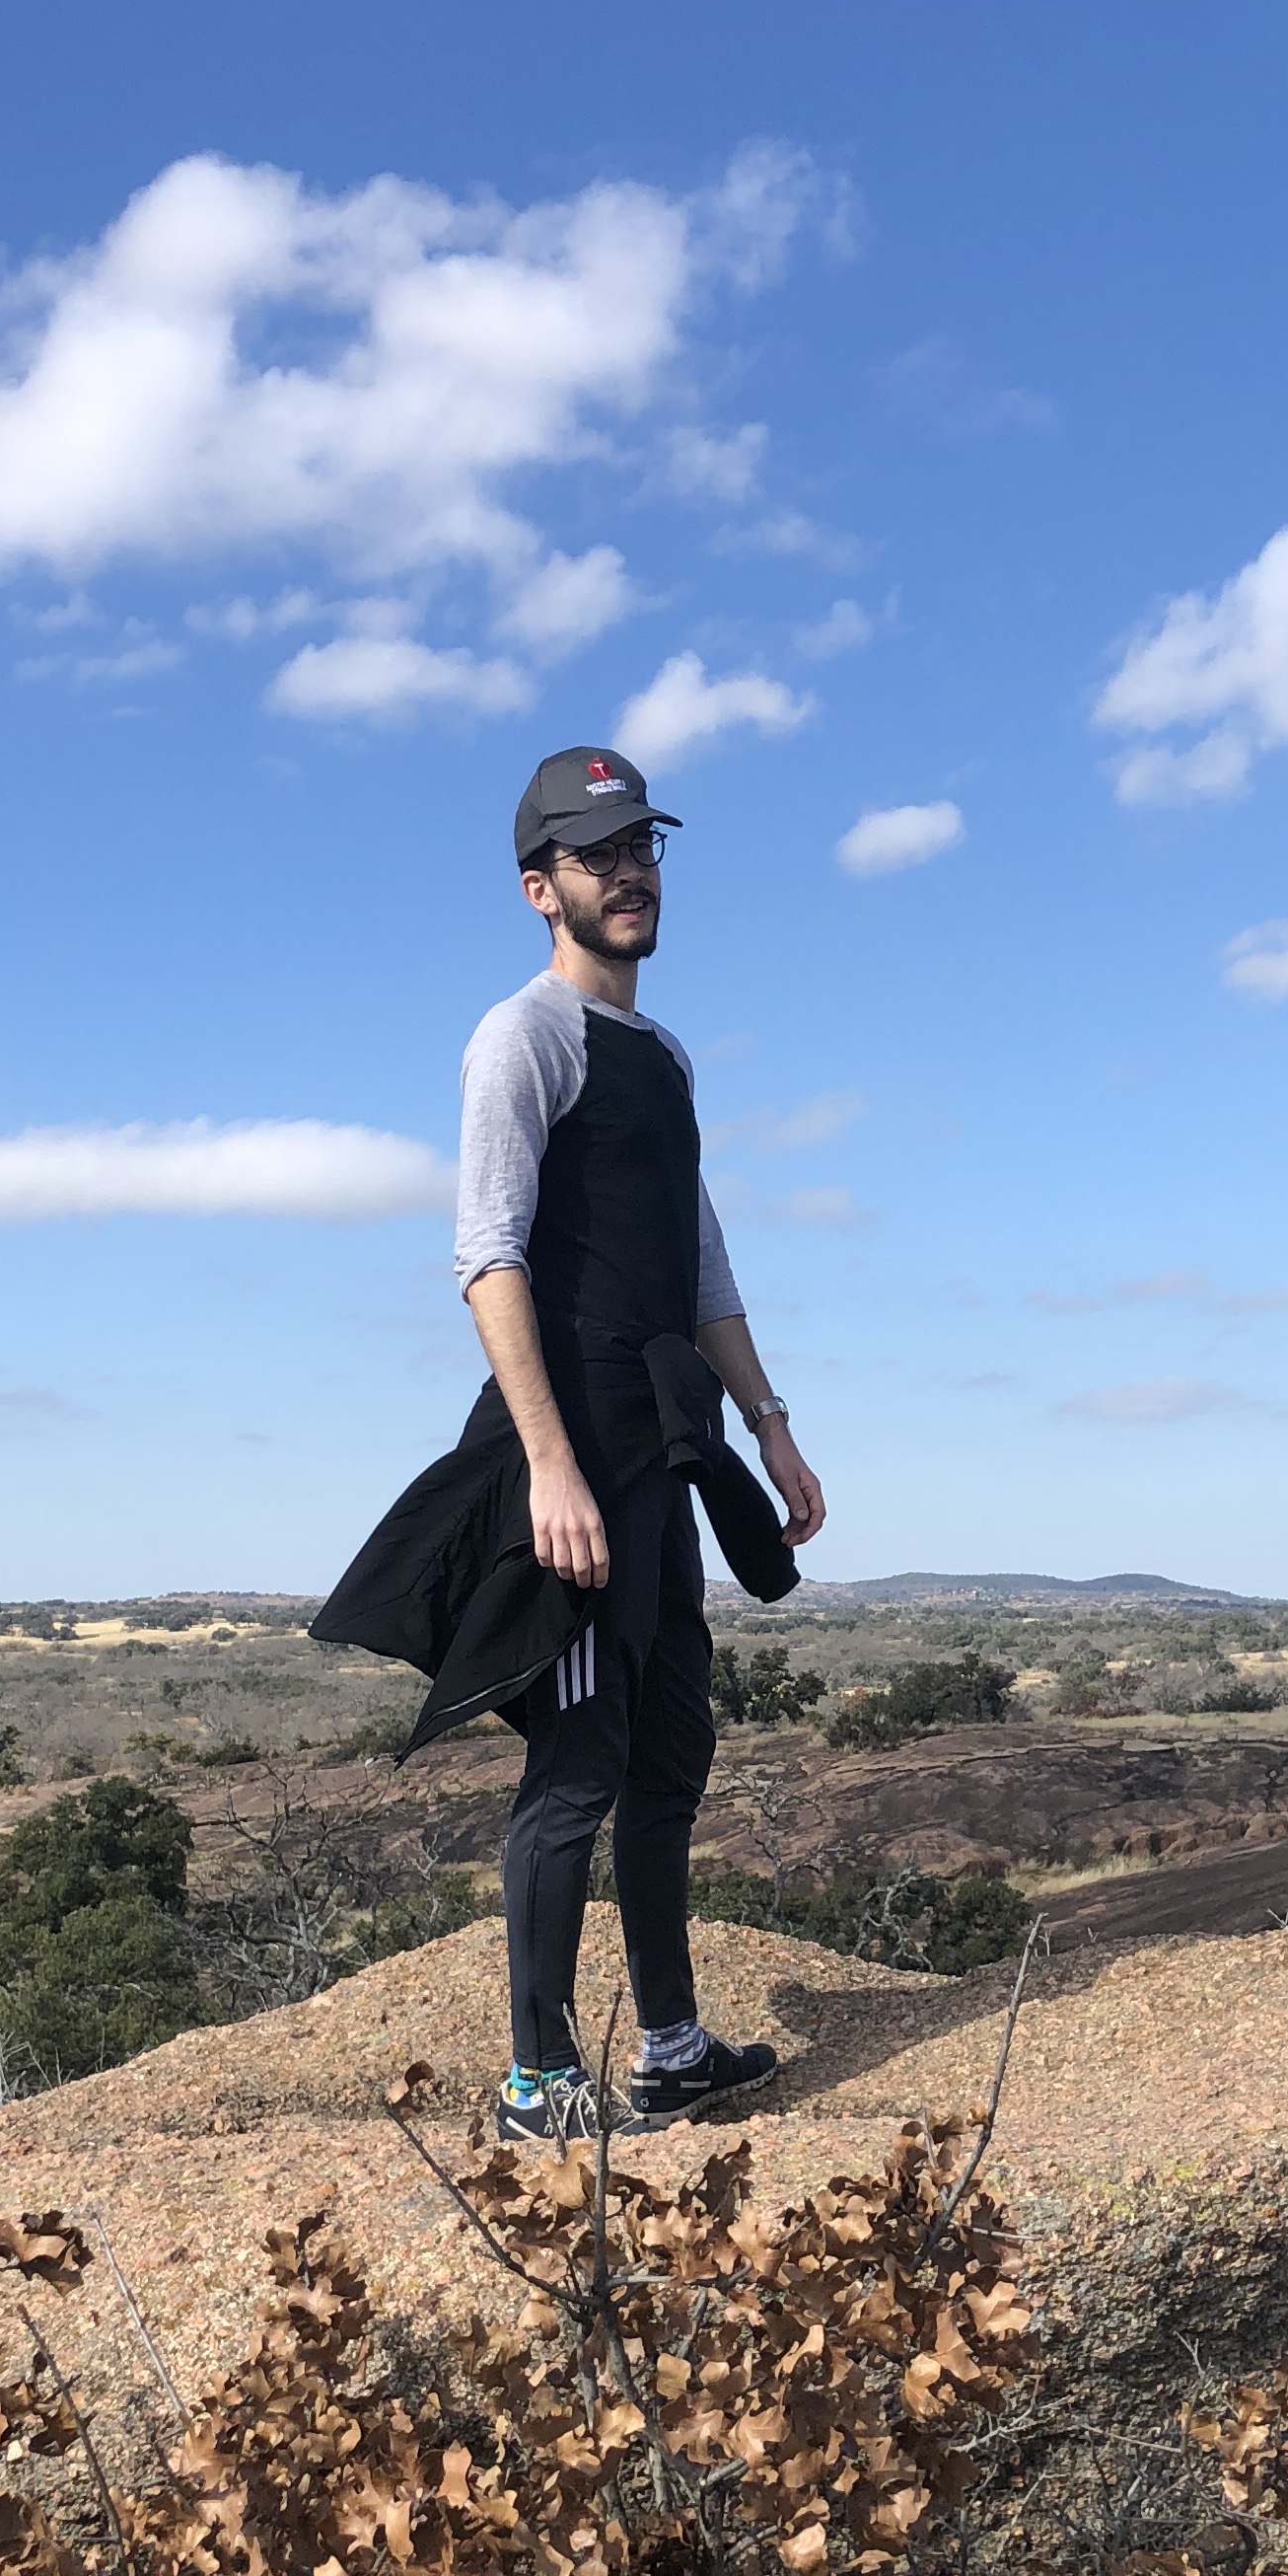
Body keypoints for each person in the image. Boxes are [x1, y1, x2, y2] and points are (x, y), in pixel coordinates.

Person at [312, 747, 826, 2147]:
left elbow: (702, 1267)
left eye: (642, 848)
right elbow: (488, 1257)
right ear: (541, 887)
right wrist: (548, 1463)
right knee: (579, 1762)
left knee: (671, 1750)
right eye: (598, 857)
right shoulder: (523, 1036)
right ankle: (537, 2080)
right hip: (580, 1448)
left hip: (667, 1446)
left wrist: (771, 1428)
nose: (630, 874)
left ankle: (670, 2046)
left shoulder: (664, 1055)